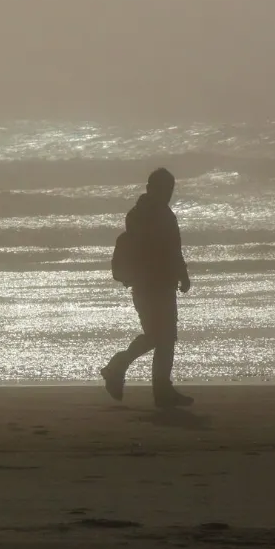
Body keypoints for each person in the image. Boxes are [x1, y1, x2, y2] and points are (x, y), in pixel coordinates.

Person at [101, 168, 194, 408]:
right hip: (150, 284)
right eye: (165, 189)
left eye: (170, 189)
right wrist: (181, 274)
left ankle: (155, 386)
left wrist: (181, 274)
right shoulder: (152, 215)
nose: (168, 194)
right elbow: (169, 249)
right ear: (151, 188)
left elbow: (172, 249)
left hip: (156, 283)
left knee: (161, 337)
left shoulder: (141, 213)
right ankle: (128, 372)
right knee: (161, 336)